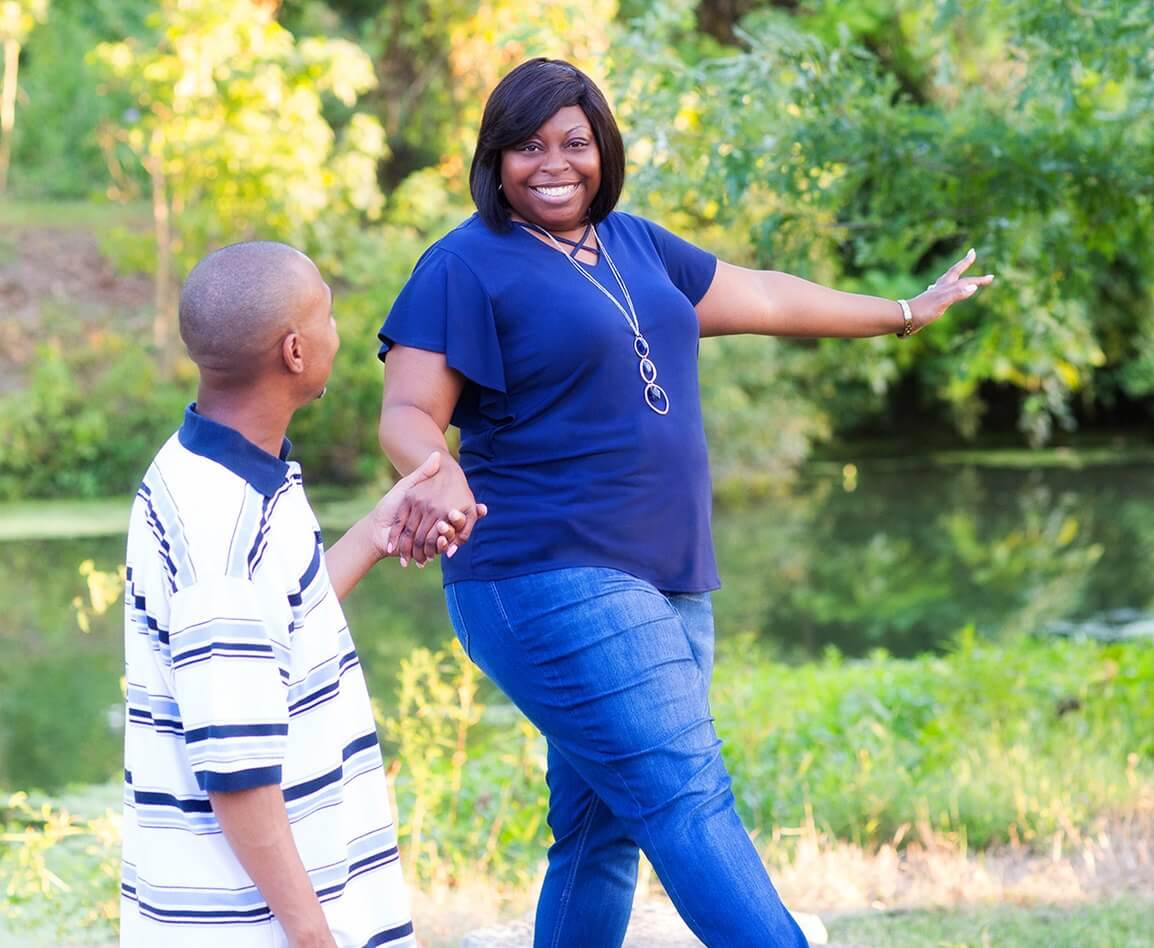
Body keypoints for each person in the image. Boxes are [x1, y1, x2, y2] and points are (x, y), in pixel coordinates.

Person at [377, 58, 993, 947]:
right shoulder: (465, 263)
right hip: (547, 570)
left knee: (600, 835)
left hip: (669, 574)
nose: (553, 163)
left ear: (604, 149)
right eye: (526, 145)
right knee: (684, 797)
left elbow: (770, 295)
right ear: (495, 158)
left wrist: (902, 310)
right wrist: (438, 472)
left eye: (574, 142)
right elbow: (405, 412)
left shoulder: (635, 245)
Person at [120, 241, 483, 947]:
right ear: (294, 351)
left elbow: (277, 629)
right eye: (329, 314)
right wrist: (314, 936)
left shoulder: (216, 472)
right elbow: (238, 777)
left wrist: (377, 533)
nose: (339, 332)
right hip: (249, 927)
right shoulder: (223, 535)